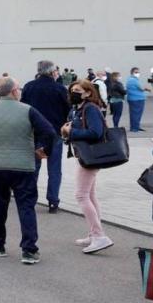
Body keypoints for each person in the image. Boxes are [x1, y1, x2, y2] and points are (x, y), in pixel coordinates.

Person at [0, 76, 56, 265]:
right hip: (23, 165)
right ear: (14, 91)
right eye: (18, 88)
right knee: (26, 206)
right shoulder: (27, 110)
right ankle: (29, 249)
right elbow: (49, 132)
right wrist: (43, 150)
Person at [62, 80, 114, 254]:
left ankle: (99, 236)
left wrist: (72, 132)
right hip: (84, 155)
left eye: (77, 90)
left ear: (88, 93)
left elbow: (95, 132)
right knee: (90, 195)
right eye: (71, 90)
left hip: (91, 156)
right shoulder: (78, 108)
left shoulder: (90, 108)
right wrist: (66, 131)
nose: (73, 93)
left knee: (81, 195)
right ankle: (94, 234)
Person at [20, 60, 70, 213]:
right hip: (55, 133)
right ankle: (53, 201)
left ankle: (30, 199)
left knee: (33, 168)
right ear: (52, 71)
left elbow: (23, 108)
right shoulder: (60, 88)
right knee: (54, 169)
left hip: (34, 133)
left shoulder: (29, 87)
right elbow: (67, 109)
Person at [127, 67, 150, 132]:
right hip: (136, 99)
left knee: (137, 114)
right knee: (135, 114)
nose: (138, 73)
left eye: (138, 72)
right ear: (132, 72)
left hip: (137, 99)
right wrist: (146, 89)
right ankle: (134, 128)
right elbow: (141, 88)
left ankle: (136, 126)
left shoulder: (134, 79)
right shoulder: (133, 80)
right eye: (136, 72)